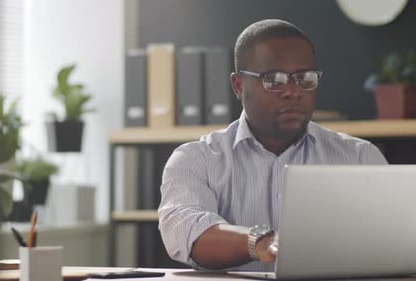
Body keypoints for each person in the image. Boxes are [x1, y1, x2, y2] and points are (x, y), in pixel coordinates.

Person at [158, 19, 388, 272]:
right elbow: (187, 230)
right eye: (274, 80)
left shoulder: (359, 158)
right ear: (239, 86)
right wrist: (261, 242)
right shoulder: (196, 160)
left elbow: (390, 246)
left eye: (304, 78)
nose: (293, 91)